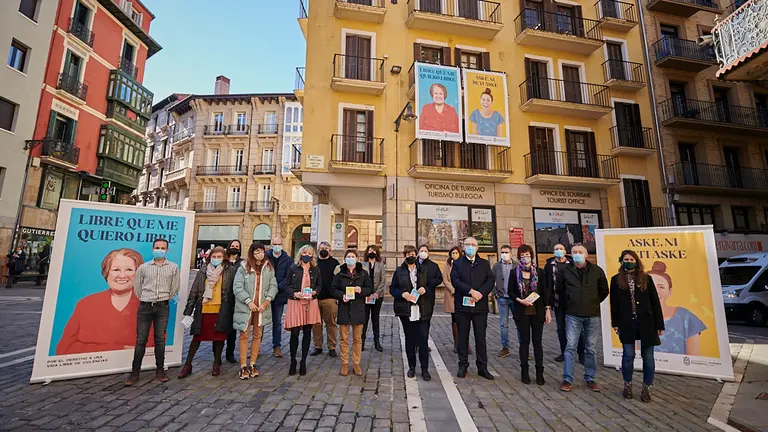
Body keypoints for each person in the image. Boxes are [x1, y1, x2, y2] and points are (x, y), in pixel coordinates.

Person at [57, 248, 149, 355]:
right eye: (116, 270)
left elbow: (152, 347)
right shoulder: (86, 305)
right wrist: (120, 349)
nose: (122, 275)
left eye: (129, 270)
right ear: (106, 272)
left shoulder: (148, 304)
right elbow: (64, 348)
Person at [610, 250, 665, 402]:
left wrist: (659, 324)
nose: (629, 261)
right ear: (621, 261)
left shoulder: (646, 278)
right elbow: (614, 304)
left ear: (636, 260)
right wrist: (615, 323)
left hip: (647, 322)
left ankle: (647, 387)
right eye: (626, 259)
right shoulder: (616, 280)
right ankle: (627, 385)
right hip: (627, 322)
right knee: (628, 355)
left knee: (648, 357)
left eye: (631, 259)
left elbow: (655, 302)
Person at [125, 238, 180, 386]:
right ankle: (134, 372)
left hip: (163, 307)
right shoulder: (143, 268)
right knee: (141, 339)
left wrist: (163, 298)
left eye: (162, 248)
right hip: (145, 307)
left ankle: (160, 370)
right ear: (152, 249)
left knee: (160, 339)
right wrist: (146, 298)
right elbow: (137, 288)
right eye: (157, 247)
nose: (159, 250)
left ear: (167, 250)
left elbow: (175, 287)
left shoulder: (173, 267)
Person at [557, 243, 609, 392]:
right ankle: (567, 379)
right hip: (573, 314)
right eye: (574, 252)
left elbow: (604, 290)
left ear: (586, 254)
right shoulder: (565, 271)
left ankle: (590, 377)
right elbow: (560, 290)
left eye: (580, 252)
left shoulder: (596, 271)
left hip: (592, 314)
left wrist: (592, 301)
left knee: (591, 348)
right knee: (570, 347)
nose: (577, 254)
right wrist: (570, 302)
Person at [178, 247, 235, 378]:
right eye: (214, 257)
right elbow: (194, 290)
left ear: (224, 258)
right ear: (210, 258)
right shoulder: (203, 270)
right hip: (203, 309)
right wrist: (188, 310)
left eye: (219, 257)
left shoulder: (229, 270)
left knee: (219, 338)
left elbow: (233, 291)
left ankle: (216, 363)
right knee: (197, 338)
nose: (216, 259)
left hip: (221, 309)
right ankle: (188, 364)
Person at [451, 236, 495, 380]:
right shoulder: (457, 263)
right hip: (463, 306)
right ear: (463, 247)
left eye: (473, 244)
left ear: (477, 247)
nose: (470, 246)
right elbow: (455, 281)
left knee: (480, 338)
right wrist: (470, 291)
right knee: (462, 337)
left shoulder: (484, 264)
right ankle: (462, 365)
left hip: (480, 307)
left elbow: (490, 280)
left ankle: (482, 367)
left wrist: (481, 293)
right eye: (467, 244)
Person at [232, 242, 278, 380]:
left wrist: (266, 301)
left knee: (258, 335)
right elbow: (238, 287)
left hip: (261, 307)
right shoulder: (243, 267)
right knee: (244, 335)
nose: (260, 253)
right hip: (246, 307)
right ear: (252, 253)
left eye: (262, 251)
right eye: (257, 251)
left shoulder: (268, 267)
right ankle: (243, 365)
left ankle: (253, 363)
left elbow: (273, 285)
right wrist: (248, 301)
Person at [390, 245, 435, 381]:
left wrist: (425, 289)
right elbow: (393, 288)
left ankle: (425, 369)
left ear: (416, 255)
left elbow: (432, 285)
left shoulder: (424, 270)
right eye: (408, 253)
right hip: (406, 309)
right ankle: (412, 366)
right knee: (409, 339)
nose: (411, 255)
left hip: (422, 308)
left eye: (413, 253)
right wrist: (402, 294)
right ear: (405, 255)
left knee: (422, 339)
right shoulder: (399, 271)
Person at [509, 244, 551, 385]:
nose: (525, 257)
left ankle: (540, 372)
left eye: (527, 254)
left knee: (537, 343)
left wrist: (547, 309)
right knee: (524, 343)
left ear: (531, 255)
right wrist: (520, 300)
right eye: (522, 255)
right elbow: (510, 291)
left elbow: (545, 291)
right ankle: (524, 371)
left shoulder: (539, 272)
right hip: (522, 312)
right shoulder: (514, 272)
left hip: (537, 312)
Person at [649, 261, 706, 356]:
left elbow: (694, 357)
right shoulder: (636, 317)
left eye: (661, 287)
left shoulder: (686, 317)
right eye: (650, 287)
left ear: (669, 291)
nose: (655, 292)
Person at [332, 250, 373, 376]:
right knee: (344, 339)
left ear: (357, 258)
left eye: (353, 256)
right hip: (344, 308)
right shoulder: (339, 274)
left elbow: (370, 289)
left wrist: (361, 290)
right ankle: (345, 363)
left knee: (357, 339)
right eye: (348, 257)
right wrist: (342, 295)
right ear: (344, 259)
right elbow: (333, 289)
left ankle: (356, 363)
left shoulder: (363, 274)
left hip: (358, 309)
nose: (350, 258)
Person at [284, 244, 322, 376]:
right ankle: (293, 360)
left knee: (307, 332)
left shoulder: (315, 269)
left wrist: (314, 292)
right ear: (300, 253)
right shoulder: (293, 268)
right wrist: (294, 293)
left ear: (312, 256)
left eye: (310, 253)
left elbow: (319, 285)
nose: (307, 255)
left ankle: (303, 361)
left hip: (310, 302)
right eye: (305, 252)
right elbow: (286, 285)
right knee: (294, 333)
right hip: (295, 302)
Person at [544, 244, 585, 363]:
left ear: (565, 251)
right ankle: (564, 352)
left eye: (561, 249)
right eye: (556, 249)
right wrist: (548, 303)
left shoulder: (573, 264)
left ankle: (581, 353)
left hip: (573, 302)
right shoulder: (549, 265)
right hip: (558, 302)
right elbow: (547, 284)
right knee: (561, 328)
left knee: (578, 328)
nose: (559, 251)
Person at [312, 241, 340, 357]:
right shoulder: (314, 263)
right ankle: (317, 346)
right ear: (318, 249)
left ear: (330, 251)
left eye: (326, 248)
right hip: (315, 298)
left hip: (330, 298)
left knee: (331, 324)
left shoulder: (335, 263)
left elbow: (339, 280)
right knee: (316, 324)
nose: (324, 250)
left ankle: (332, 347)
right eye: (322, 248)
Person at [267, 236, 292, 358]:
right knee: (259, 321)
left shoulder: (287, 260)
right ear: (272, 244)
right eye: (274, 244)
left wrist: (277, 288)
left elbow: (288, 277)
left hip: (279, 295)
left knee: (277, 322)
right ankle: (255, 347)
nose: (276, 246)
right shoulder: (266, 257)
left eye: (279, 244)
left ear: (282, 245)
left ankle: (276, 346)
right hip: (265, 294)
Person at [443, 247, 471, 354]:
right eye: (452, 253)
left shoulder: (465, 264)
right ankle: (456, 343)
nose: (454, 254)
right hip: (452, 294)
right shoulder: (447, 265)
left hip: (463, 293)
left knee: (465, 319)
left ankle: (466, 344)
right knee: (455, 319)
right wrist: (452, 289)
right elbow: (445, 279)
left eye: (456, 252)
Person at [492, 245, 516, 358]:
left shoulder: (516, 265)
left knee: (520, 323)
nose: (504, 254)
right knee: (503, 324)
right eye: (502, 252)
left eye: (506, 252)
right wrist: (495, 293)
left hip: (515, 298)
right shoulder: (496, 266)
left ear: (511, 253)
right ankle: (505, 347)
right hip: (502, 298)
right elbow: (490, 280)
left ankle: (523, 348)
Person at [417, 245, 442, 351]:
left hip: (428, 297)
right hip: (415, 297)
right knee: (415, 321)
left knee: (425, 322)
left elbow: (439, 279)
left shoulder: (433, 266)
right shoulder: (413, 264)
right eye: (421, 250)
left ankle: (423, 344)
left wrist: (428, 286)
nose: (423, 252)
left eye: (425, 251)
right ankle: (414, 343)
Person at [361, 245, 385, 352]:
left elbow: (383, 280)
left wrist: (376, 293)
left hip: (377, 296)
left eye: (374, 251)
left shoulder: (380, 265)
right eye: (370, 250)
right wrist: (365, 292)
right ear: (367, 252)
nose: (372, 252)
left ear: (377, 253)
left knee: (375, 318)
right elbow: (361, 279)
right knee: (364, 319)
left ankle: (377, 342)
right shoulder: (362, 265)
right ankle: (362, 342)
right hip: (365, 295)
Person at [222, 239, 243, 363]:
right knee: (220, 326)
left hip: (236, 299)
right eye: (232, 245)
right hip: (222, 297)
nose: (234, 248)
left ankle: (230, 353)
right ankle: (217, 353)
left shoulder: (242, 263)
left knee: (232, 329)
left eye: (237, 246)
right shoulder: (223, 261)